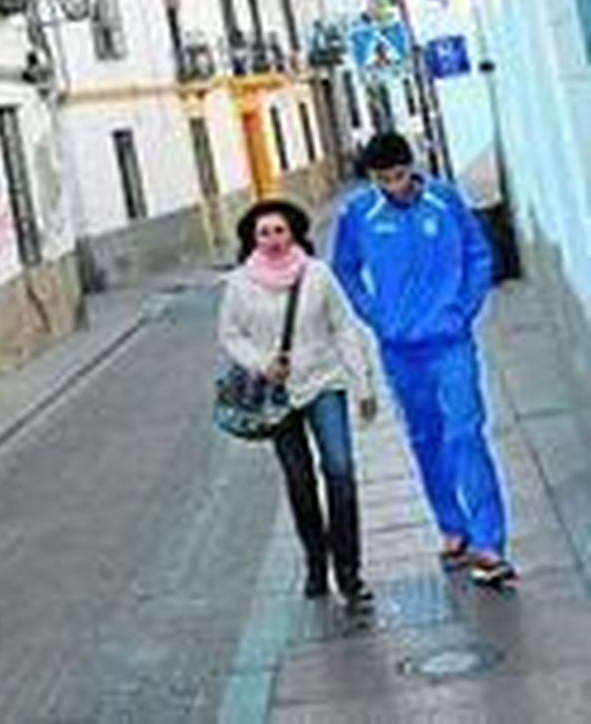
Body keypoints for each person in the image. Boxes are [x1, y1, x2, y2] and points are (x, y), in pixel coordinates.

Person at [332, 130, 513, 587]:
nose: (394, 186)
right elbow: (346, 270)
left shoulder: (444, 200)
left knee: (465, 433)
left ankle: (490, 542)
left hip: (450, 342)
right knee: (425, 437)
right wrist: (377, 316)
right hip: (400, 348)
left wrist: (463, 308)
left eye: (399, 175)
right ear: (371, 178)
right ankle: (452, 526)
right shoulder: (358, 213)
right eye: (382, 179)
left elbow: (477, 253)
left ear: (412, 167)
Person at [219, 198, 377, 607]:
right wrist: (260, 363)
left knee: (340, 472)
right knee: (299, 480)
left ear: (294, 233)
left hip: (324, 383)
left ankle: (350, 573)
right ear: (252, 239)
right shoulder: (239, 283)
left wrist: (363, 384)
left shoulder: (317, 275)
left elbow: (344, 327)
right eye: (264, 233)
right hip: (277, 396)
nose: (272, 239)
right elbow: (231, 335)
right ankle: (315, 561)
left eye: (279, 231)